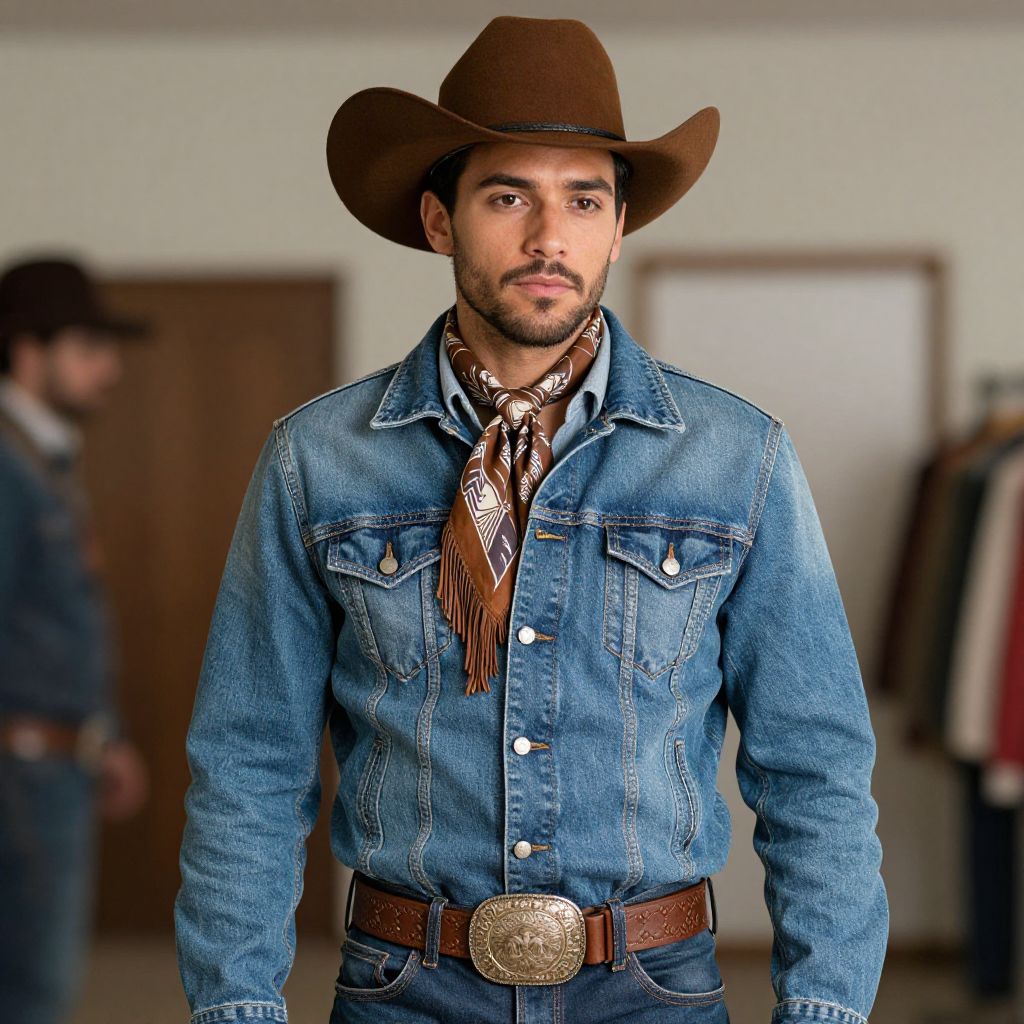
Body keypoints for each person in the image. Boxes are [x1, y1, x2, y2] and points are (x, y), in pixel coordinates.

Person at [174, 16, 889, 1024]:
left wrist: (826, 1007)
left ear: (618, 225)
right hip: (403, 989)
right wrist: (234, 1005)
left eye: (583, 200)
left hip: (652, 992)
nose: (548, 237)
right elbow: (250, 766)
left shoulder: (739, 457)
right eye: (508, 196)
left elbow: (813, 770)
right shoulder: (316, 458)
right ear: (439, 221)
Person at [0, 255, 150, 1024]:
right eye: (89, 346)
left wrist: (103, 735)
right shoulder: (7, 465)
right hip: (19, 772)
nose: (111, 369)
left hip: (50, 761)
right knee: (30, 992)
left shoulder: (40, 458)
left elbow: (49, 627)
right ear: (28, 350)